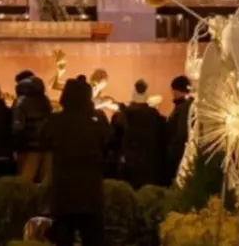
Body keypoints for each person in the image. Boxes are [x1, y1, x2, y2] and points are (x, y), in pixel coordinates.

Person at [42, 77, 112, 246]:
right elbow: (110, 141)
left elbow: (43, 140)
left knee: (63, 236)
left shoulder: (55, 121)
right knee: (93, 236)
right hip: (90, 190)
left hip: (63, 190)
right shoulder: (96, 122)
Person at [113, 79, 167, 188]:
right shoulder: (154, 115)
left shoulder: (122, 115)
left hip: (128, 164)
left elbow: (114, 140)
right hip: (149, 165)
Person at [13, 73, 53, 181]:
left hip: (28, 149)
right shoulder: (45, 100)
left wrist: (15, 147)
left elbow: (17, 127)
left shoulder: (20, 101)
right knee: (44, 183)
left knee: (25, 184)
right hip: (46, 148)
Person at [164, 75, 193, 185]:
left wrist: (171, 151)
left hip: (178, 154)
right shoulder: (187, 105)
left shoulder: (183, 107)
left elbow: (181, 132)